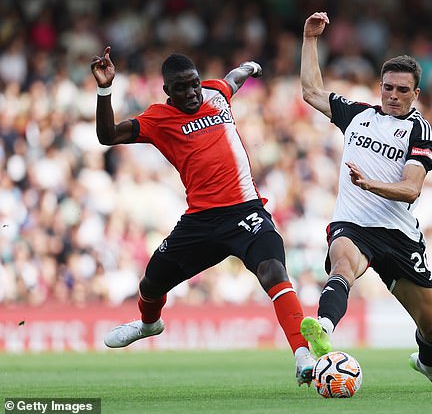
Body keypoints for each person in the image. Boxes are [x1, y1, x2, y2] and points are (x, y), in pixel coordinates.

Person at [90, 46, 315, 386]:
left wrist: (249, 65)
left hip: (246, 211)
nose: (192, 92)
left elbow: (231, 80)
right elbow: (107, 135)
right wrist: (105, 89)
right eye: (181, 87)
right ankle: (149, 324)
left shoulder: (214, 92)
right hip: (201, 220)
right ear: (168, 91)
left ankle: (303, 355)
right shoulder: (158, 119)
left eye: (194, 83)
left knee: (273, 271)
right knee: (151, 284)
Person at [298, 12, 432, 391]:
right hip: (353, 226)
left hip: (398, 236)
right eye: (388, 88)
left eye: (403, 90)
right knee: (342, 266)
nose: (394, 96)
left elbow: (411, 189)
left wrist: (370, 184)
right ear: (379, 86)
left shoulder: (419, 130)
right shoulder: (357, 116)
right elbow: (311, 92)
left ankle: (428, 364)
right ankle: (324, 329)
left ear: (416, 94)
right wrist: (310, 39)